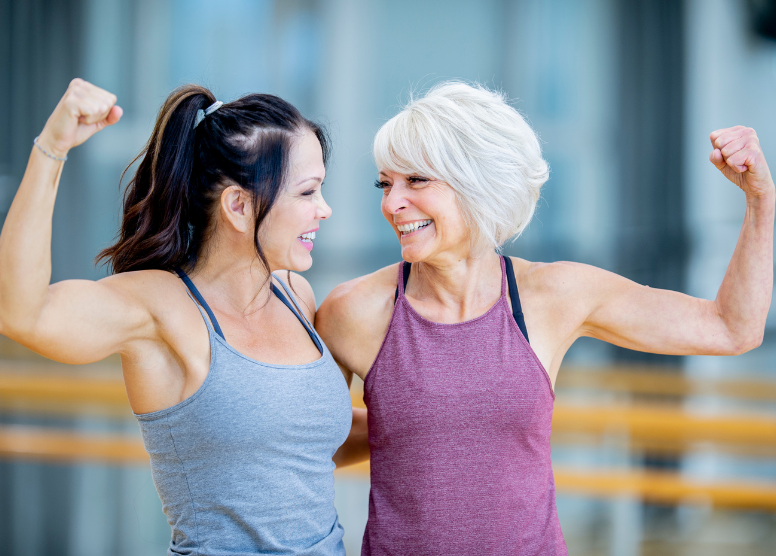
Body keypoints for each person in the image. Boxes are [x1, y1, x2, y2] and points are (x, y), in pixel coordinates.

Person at [316, 82, 774, 555]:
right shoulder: (353, 312)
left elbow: (732, 328)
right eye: (385, 183)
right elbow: (301, 448)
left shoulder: (552, 296)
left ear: (477, 183)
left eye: (416, 181)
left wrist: (760, 202)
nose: (392, 204)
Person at [0, 78, 367, 556]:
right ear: (238, 206)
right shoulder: (158, 306)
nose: (324, 209)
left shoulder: (296, 296)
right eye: (307, 193)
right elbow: (19, 312)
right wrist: (52, 147)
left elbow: (307, 448)